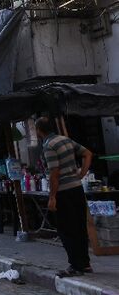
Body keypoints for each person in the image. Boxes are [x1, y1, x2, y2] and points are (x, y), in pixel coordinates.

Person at [35, 117, 94, 277]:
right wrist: (81, 173)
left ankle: (75, 265)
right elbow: (88, 153)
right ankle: (85, 263)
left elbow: (54, 173)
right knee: (80, 226)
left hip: (63, 191)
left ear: (39, 130)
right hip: (76, 189)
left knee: (67, 229)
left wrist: (52, 196)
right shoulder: (65, 140)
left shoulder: (49, 146)